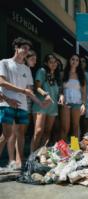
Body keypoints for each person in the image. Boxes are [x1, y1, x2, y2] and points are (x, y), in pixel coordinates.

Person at [0, 37, 48, 169]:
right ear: (16, 48)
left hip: (22, 106)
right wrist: (22, 91)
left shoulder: (27, 69)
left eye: (28, 49)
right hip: (7, 104)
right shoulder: (4, 63)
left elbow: (30, 91)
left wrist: (40, 102)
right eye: (24, 48)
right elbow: (2, 82)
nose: (26, 51)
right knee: (6, 135)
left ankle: (20, 163)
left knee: (21, 135)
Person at [31, 54, 60, 152]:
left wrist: (62, 96)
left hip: (53, 107)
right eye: (51, 62)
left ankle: (40, 154)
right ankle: (32, 156)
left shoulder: (57, 75)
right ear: (46, 63)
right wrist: (45, 94)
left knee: (47, 132)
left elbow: (58, 91)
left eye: (55, 62)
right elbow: (37, 87)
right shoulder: (42, 71)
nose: (53, 64)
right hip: (41, 105)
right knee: (38, 131)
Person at [59, 54, 86, 140]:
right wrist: (61, 95)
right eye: (72, 59)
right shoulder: (63, 74)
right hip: (66, 103)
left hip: (77, 104)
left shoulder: (81, 75)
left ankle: (74, 149)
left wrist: (83, 104)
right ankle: (61, 150)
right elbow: (60, 90)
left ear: (79, 63)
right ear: (69, 61)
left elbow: (84, 92)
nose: (74, 61)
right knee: (65, 128)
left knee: (75, 127)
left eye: (77, 60)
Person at [79, 57, 88, 137]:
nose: (82, 63)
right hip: (74, 100)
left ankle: (83, 138)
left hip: (85, 99)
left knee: (84, 120)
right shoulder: (73, 73)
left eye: (84, 61)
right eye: (80, 61)